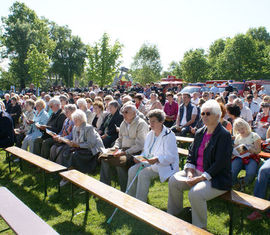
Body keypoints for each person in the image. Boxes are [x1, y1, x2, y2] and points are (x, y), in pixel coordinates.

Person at [167, 100, 232, 229]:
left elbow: (220, 163)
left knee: (195, 193)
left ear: (218, 116)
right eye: (202, 113)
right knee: (173, 181)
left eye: (208, 113)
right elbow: (191, 155)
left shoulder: (224, 135)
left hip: (216, 178)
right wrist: (190, 172)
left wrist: (200, 178)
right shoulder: (200, 132)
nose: (204, 116)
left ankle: (200, 228)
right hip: (196, 172)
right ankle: (174, 218)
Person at [127, 109, 179, 202]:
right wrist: (140, 158)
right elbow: (146, 151)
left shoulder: (169, 135)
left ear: (161, 121)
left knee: (143, 174)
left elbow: (171, 157)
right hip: (149, 162)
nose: (151, 124)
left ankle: (140, 202)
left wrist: (157, 159)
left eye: (153, 121)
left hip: (164, 166)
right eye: (150, 121)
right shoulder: (150, 134)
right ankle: (130, 198)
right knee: (132, 170)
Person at [100, 104, 149, 192]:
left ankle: (125, 190)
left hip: (135, 152)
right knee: (104, 157)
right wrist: (115, 147)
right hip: (122, 149)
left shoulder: (141, 124)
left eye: (126, 112)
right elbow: (120, 139)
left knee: (119, 163)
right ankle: (104, 186)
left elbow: (140, 145)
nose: (123, 114)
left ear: (134, 113)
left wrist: (125, 152)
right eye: (123, 112)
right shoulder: (124, 122)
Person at [59, 110, 105, 186]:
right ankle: (68, 173)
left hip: (92, 150)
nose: (75, 121)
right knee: (66, 151)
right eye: (74, 119)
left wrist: (78, 145)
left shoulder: (88, 128)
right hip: (81, 148)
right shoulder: (75, 127)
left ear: (82, 119)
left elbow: (91, 143)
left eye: (76, 119)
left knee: (75, 155)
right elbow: (75, 141)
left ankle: (71, 175)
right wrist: (70, 143)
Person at [231, 118, 261, 187]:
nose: (241, 131)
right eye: (238, 130)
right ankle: (235, 184)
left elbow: (258, 150)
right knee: (232, 171)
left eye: (242, 128)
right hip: (239, 157)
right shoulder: (238, 137)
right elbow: (235, 149)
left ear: (246, 126)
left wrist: (252, 150)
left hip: (251, 157)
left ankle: (243, 183)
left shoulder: (254, 136)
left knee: (251, 173)